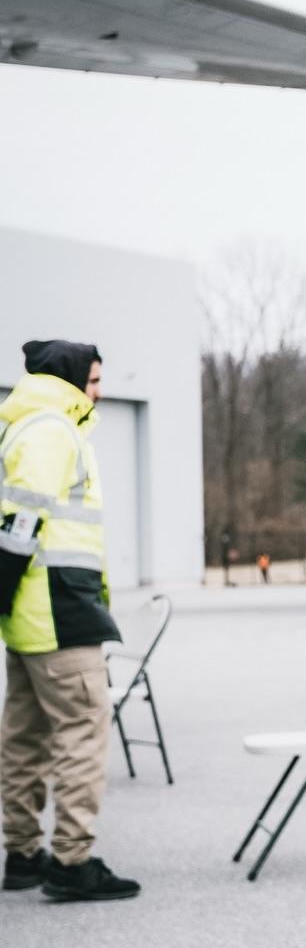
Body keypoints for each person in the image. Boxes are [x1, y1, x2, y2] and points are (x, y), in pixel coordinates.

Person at [1, 341, 141, 901]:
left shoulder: (27, 425)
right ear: (69, 378)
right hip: (59, 612)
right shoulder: (52, 430)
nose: (100, 391)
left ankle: (22, 855)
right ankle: (71, 862)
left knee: (25, 737)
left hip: (31, 615)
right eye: (95, 379)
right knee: (83, 733)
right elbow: (21, 519)